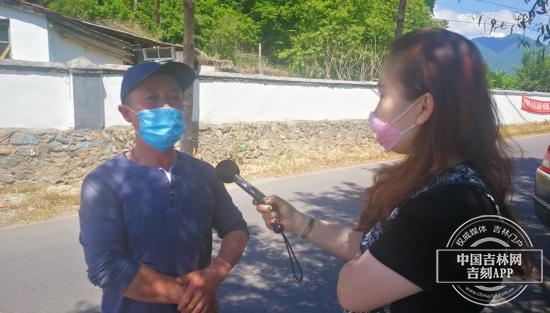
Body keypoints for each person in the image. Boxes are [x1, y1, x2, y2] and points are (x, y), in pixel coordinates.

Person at [255, 28, 521, 312]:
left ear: (423, 107)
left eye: (382, 94)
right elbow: (380, 249)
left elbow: (352, 292)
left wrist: (354, 268)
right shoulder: (451, 182)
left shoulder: (447, 208)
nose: (376, 110)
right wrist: (299, 222)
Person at [79, 61, 249, 313]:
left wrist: (215, 273)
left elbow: (235, 228)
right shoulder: (104, 183)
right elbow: (107, 266)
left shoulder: (203, 173)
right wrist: (193, 295)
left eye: (174, 97)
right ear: (126, 113)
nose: (167, 106)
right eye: (152, 99)